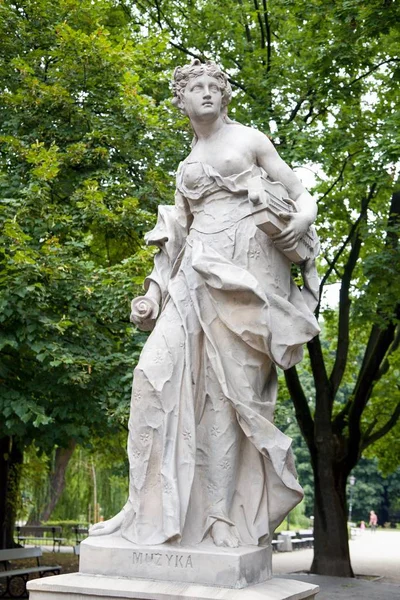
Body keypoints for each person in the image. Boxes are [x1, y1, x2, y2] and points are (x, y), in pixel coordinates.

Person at [90, 59, 320, 548]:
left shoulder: (250, 140)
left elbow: (301, 194)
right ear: (182, 100)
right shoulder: (186, 165)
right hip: (192, 277)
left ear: (225, 95)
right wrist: (150, 294)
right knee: (151, 378)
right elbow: (174, 235)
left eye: (215, 86)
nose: (207, 94)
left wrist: (304, 218)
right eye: (196, 87)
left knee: (226, 397)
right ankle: (140, 511)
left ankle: (218, 516)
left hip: (243, 279)